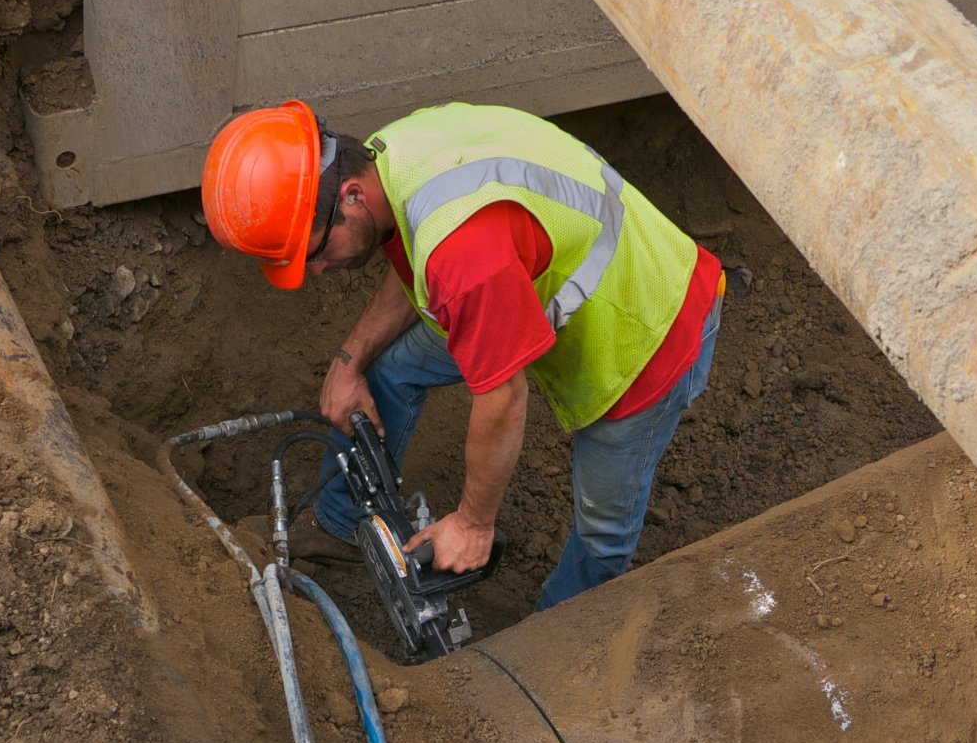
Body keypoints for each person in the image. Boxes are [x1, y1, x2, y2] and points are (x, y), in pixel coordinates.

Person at [201, 99, 725, 610]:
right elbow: (416, 262)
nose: (315, 272)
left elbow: (502, 398)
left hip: (645, 326)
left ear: (352, 197)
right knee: (391, 369)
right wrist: (349, 360)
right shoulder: (397, 158)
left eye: (315, 252)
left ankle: (555, 643)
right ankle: (339, 526)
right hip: (531, 281)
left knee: (602, 533)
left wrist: (474, 523)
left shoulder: (464, 258)